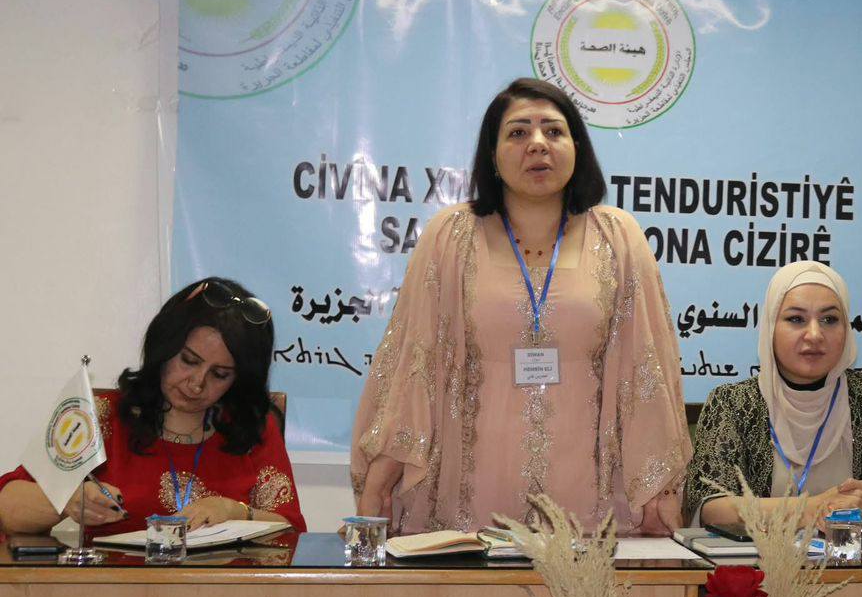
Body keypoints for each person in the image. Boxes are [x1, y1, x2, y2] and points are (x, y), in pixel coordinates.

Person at [351, 78, 690, 535]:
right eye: (517, 132)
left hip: (589, 498)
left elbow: (647, 368)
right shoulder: (450, 236)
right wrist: (384, 473)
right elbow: (415, 360)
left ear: (576, 147)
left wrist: (657, 489)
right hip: (470, 491)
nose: (537, 144)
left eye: (553, 131)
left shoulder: (618, 237)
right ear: (492, 156)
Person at [0, 278, 305, 535]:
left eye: (220, 374)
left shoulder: (252, 428)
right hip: (114, 587)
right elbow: (7, 505)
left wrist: (234, 511)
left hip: (223, 590)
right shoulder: (102, 416)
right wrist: (68, 500)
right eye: (189, 360)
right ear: (164, 346)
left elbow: (290, 531)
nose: (197, 383)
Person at [684, 261, 862, 535]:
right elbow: (712, 508)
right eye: (796, 319)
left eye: (830, 320)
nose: (815, 335)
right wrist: (812, 508)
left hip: (849, 560)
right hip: (759, 561)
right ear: (770, 326)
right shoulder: (732, 403)